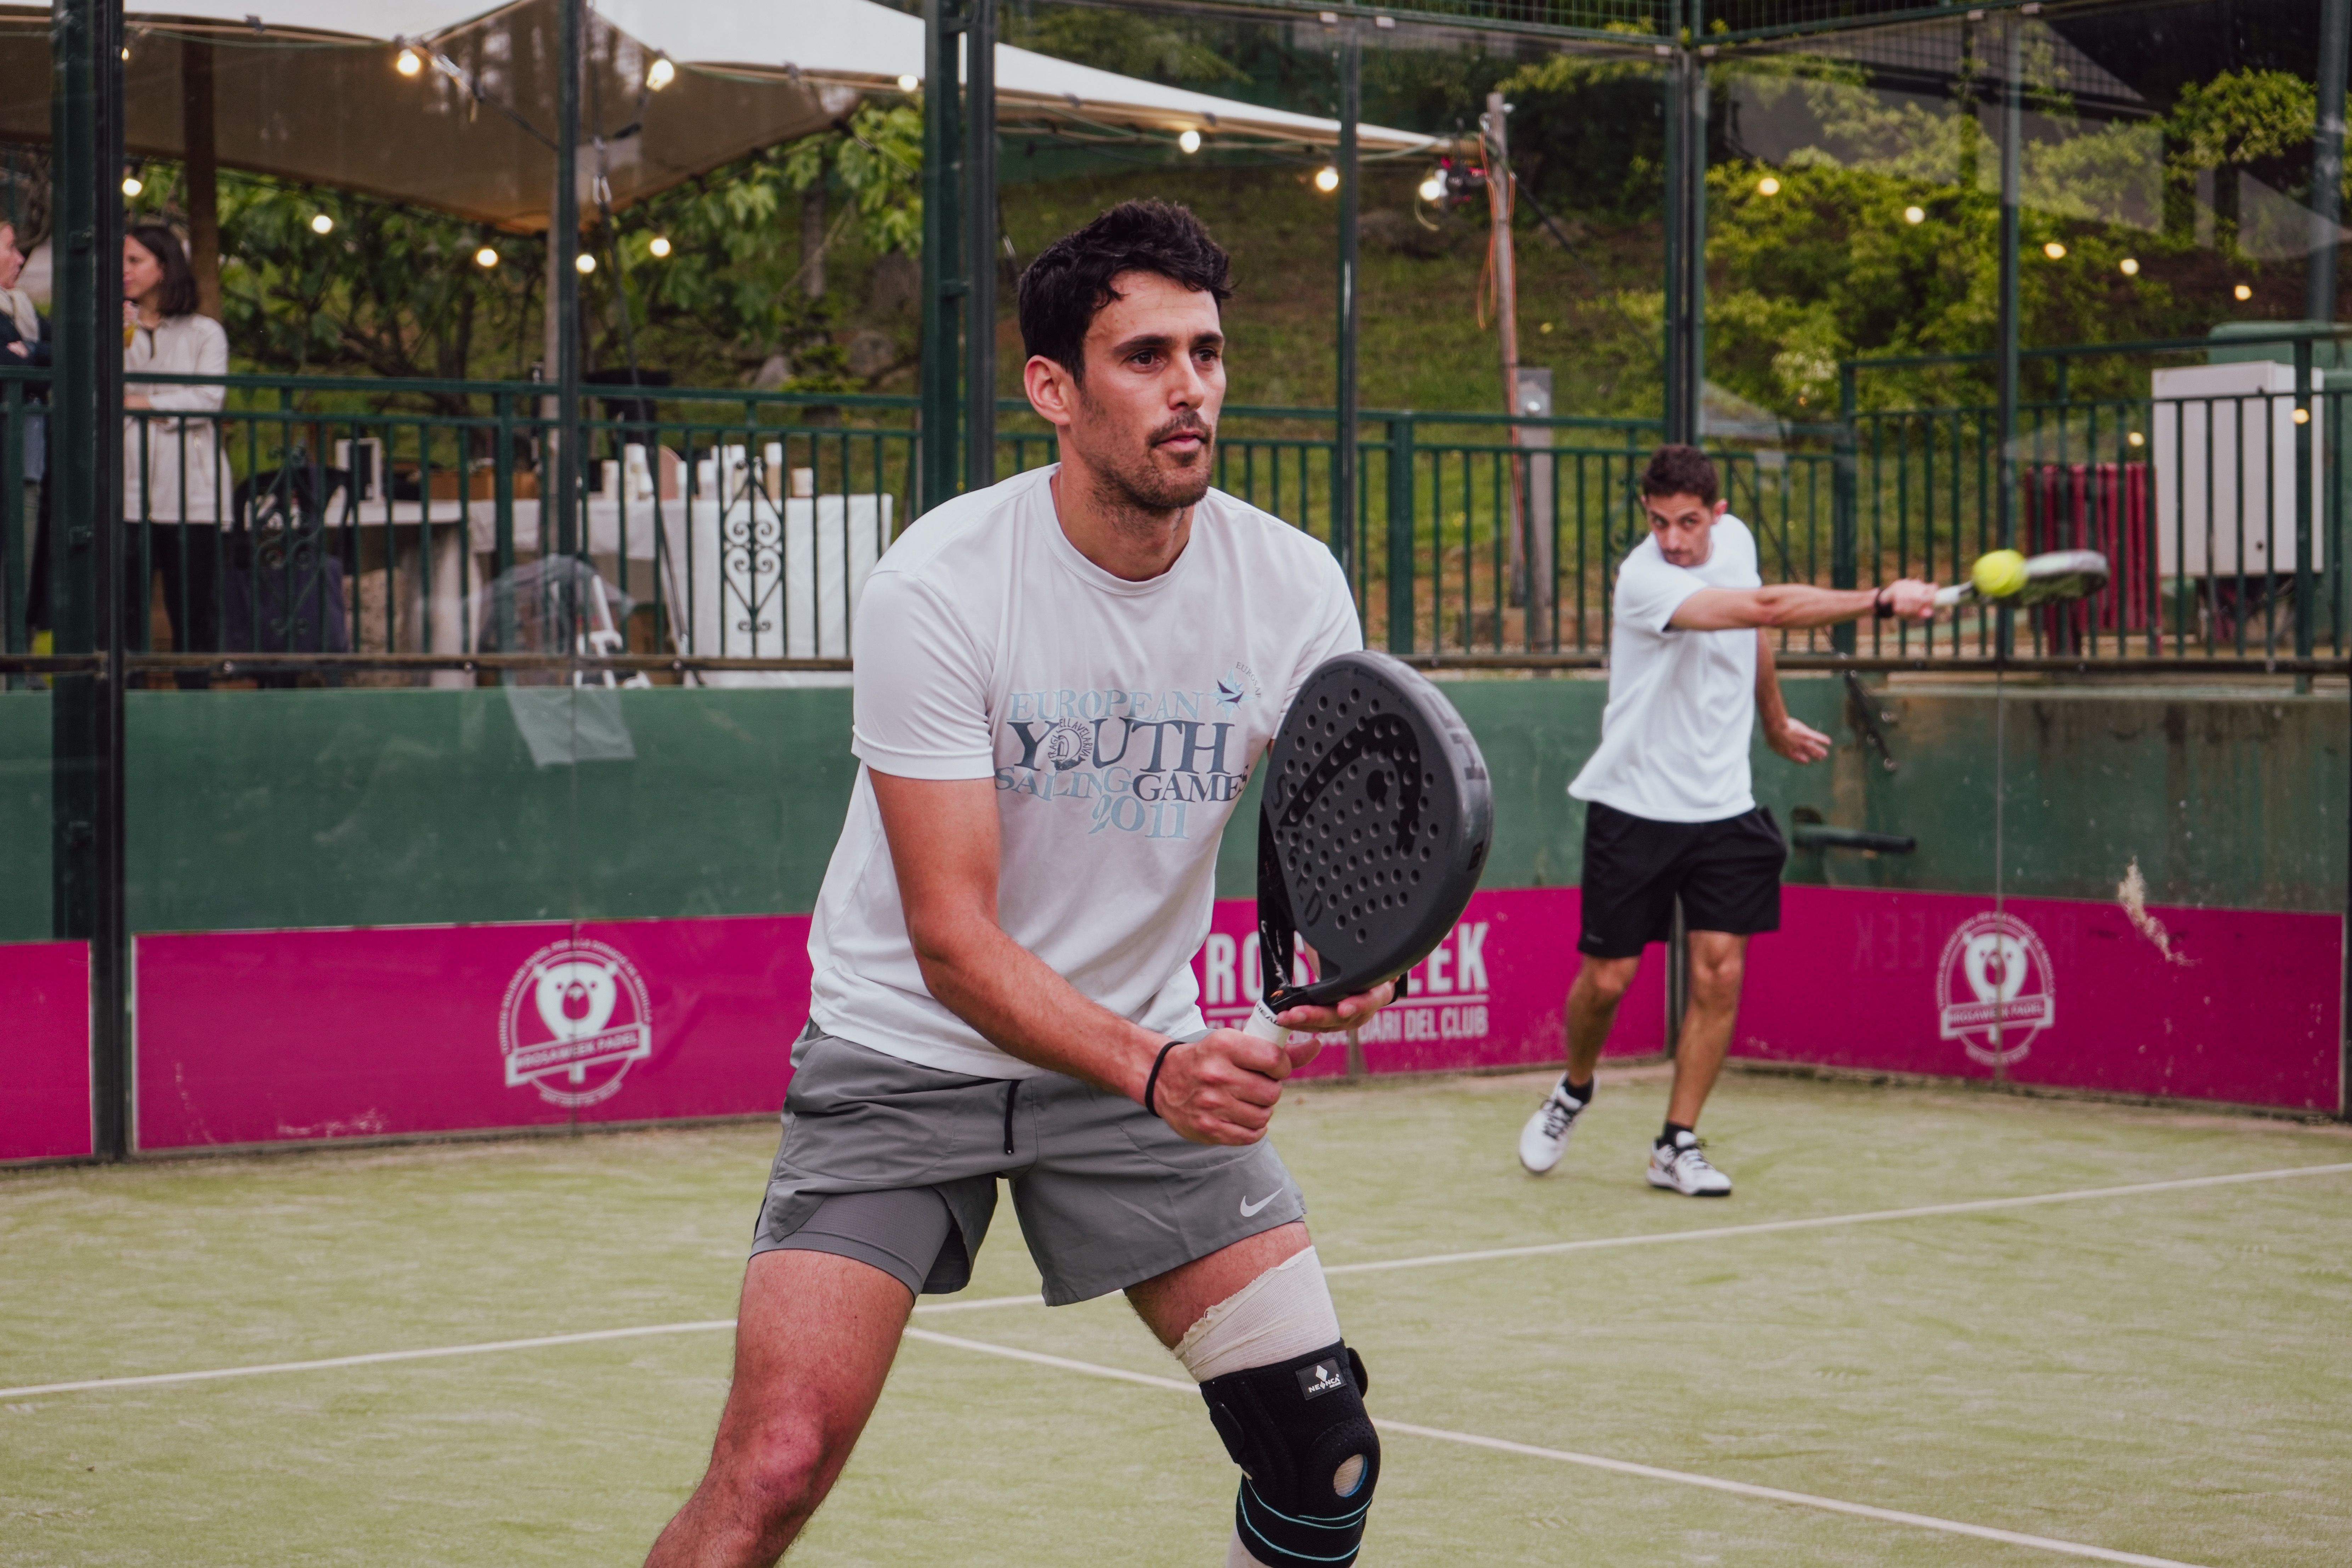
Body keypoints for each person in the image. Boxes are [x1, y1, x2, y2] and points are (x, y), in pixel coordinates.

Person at [645, 200, 1396, 1568]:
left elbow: (1340, 845)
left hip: (1131, 1059)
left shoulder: (1292, 585)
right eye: (1146, 355)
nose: (1191, 389)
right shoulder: (939, 583)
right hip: (909, 1049)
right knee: (775, 1464)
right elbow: (952, 938)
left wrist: (1361, 962)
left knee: (1323, 1449)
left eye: (1209, 353)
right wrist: (1159, 1067)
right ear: (1053, 387)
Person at [1516, 445, 1935, 1196]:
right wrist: (1877, 600)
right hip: (1634, 801)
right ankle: (1574, 1088)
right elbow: (1764, 609)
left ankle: (1674, 1143)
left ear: (1716, 514)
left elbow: (1753, 632)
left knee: (1718, 974)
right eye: (1657, 523)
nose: (1672, 540)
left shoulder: (1734, 544)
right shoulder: (1641, 580)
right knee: (1607, 981)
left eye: (1686, 523)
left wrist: (1771, 721)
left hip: (1723, 807)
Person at [121, 222, 229, 680]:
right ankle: (124, 712)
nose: (123, 271)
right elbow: (97, 396)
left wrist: (143, 404)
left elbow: (207, 401)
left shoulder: (205, 333)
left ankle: (196, 710)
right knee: (124, 615)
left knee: (193, 613)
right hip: (127, 492)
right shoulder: (113, 328)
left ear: (163, 269)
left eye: (134, 261)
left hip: (191, 494)